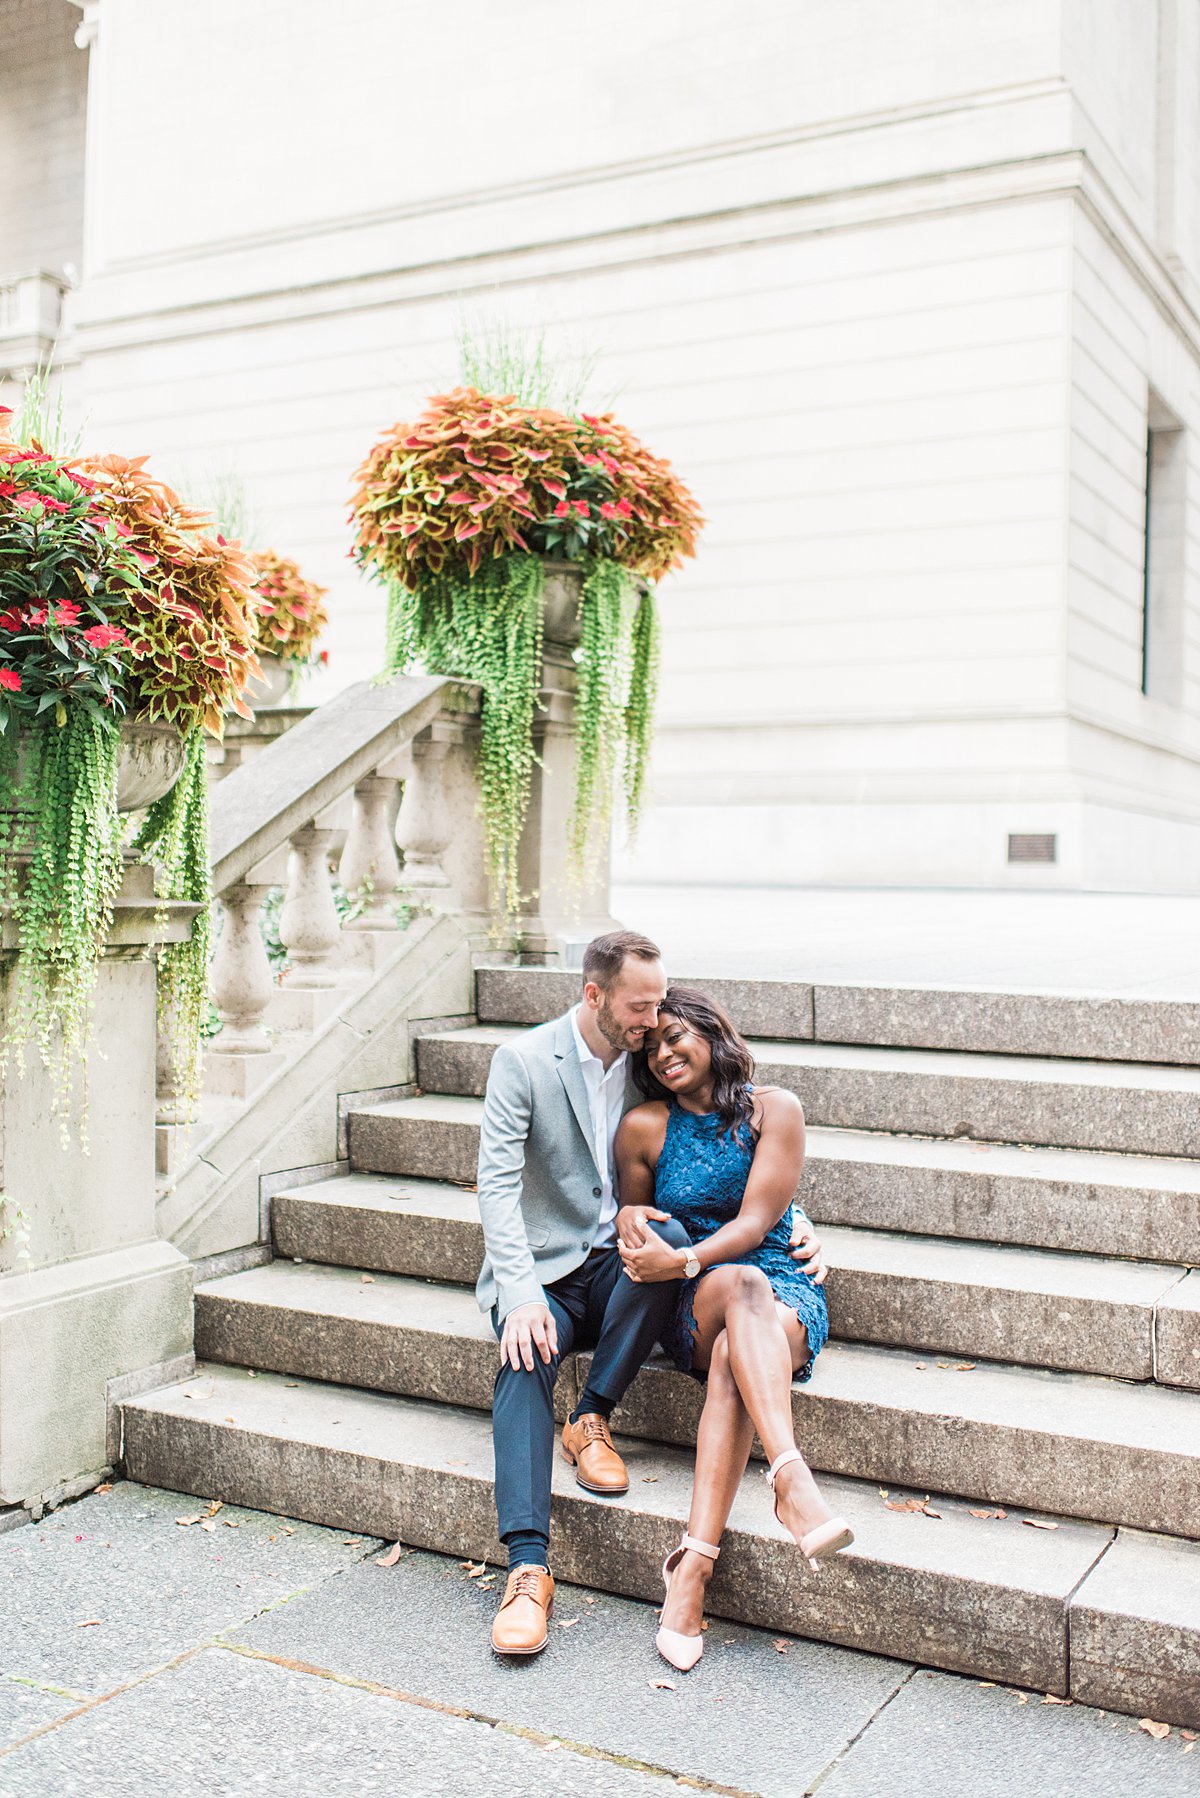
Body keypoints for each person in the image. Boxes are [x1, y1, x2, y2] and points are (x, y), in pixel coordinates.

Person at [476, 936, 828, 1657]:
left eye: (662, 1011)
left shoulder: (648, 1064)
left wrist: (799, 1222)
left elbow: (735, 1163)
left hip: (638, 1268)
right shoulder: (525, 1063)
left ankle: (594, 1419)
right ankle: (527, 1568)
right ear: (594, 996)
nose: (653, 1026)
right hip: (545, 1269)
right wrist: (519, 1294)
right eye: (642, 1010)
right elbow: (497, 1187)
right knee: (524, 1354)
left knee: (664, 1242)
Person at [614, 985, 851, 1673]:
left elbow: (756, 1224)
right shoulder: (643, 1126)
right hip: (698, 1295)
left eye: (675, 1037)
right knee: (737, 1291)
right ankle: (791, 1480)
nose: (662, 1055)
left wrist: (682, 1255)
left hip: (781, 1283)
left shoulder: (776, 1110)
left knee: (733, 1356)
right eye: (650, 1047)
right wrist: (635, 1225)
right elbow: (633, 1217)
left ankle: (691, 1570)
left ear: (713, 1034)